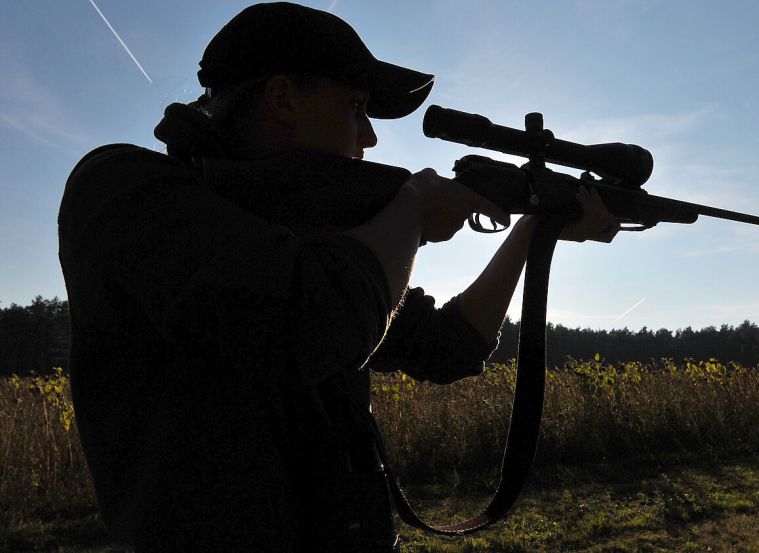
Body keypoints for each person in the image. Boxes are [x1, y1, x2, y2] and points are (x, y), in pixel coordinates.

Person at [58, 2, 618, 551]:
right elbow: (315, 319)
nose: (369, 137)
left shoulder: (319, 240)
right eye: (355, 106)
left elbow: (450, 346)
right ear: (282, 98)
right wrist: (412, 210)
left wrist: (530, 230)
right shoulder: (123, 189)